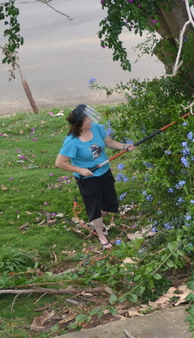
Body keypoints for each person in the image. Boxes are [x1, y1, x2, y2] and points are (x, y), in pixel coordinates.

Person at [55, 104, 134, 249]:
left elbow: (109, 142)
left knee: (110, 204)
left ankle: (94, 223)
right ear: (80, 124)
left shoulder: (96, 129)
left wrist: (125, 146)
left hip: (104, 173)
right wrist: (80, 170)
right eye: (88, 119)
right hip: (88, 179)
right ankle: (101, 234)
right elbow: (60, 162)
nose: (91, 121)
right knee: (95, 208)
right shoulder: (72, 141)